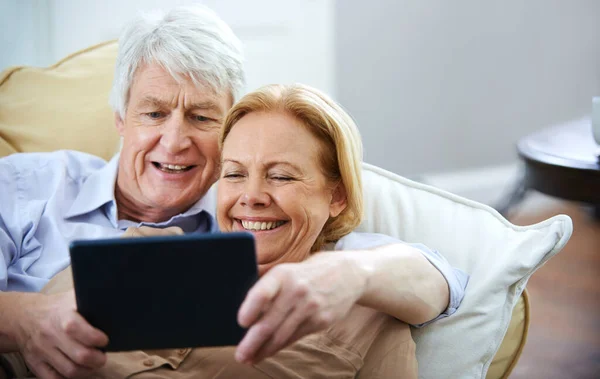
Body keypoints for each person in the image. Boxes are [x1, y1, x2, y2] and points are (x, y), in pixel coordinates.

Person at [0, 6, 466, 379]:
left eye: (203, 118)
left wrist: (354, 274)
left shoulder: (258, 223)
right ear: (120, 118)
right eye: (154, 113)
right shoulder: (28, 186)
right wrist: (26, 320)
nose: (176, 140)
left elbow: (438, 278)